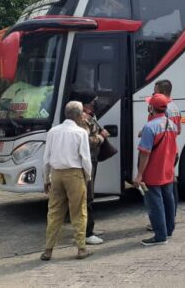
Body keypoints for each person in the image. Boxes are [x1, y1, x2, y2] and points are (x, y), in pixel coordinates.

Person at [40, 101, 92, 261]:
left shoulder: (53, 132)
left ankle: (48, 249)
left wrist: (46, 178)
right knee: (78, 212)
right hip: (74, 174)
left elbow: (46, 158)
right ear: (78, 115)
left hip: (56, 174)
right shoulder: (81, 133)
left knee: (54, 212)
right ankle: (81, 248)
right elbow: (85, 159)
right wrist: (87, 177)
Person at [134, 94, 178, 246]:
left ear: (151, 107)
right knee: (169, 200)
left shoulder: (149, 127)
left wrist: (139, 175)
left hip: (153, 172)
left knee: (155, 204)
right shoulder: (171, 124)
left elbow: (145, 153)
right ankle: (169, 230)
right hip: (167, 170)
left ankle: (160, 236)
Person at [72, 88, 109, 246]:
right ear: (88, 103)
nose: (97, 102)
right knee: (87, 196)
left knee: (88, 195)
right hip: (87, 161)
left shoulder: (89, 117)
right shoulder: (83, 119)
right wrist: (101, 137)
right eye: (95, 100)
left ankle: (87, 228)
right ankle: (87, 233)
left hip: (91, 160)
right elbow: (85, 141)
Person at [144, 79, 181, 233]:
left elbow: (153, 131)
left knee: (157, 191)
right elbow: (177, 130)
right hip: (172, 152)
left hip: (160, 154)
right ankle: (170, 221)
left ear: (164, 92)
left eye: (156, 91)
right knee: (170, 188)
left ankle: (160, 224)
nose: (154, 94)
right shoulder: (175, 107)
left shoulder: (160, 109)